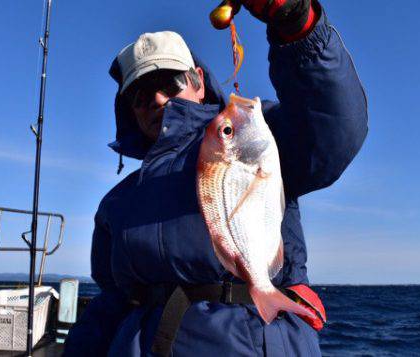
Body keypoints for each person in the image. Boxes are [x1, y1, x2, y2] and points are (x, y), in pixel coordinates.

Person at [64, 0, 368, 355]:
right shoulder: (117, 202)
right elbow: (113, 302)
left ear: (199, 81)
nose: (158, 99)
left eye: (170, 81)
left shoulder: (258, 138)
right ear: (129, 109)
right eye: (141, 95)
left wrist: (297, 24)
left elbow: (334, 130)